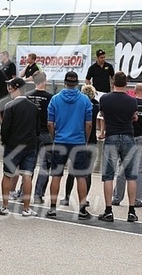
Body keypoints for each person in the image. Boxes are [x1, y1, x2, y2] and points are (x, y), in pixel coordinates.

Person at [45, 71, 93, 220]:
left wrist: (55, 137)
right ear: (77, 83)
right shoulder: (85, 100)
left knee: (56, 175)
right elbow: (89, 124)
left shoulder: (55, 99)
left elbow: (50, 124)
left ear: (65, 83)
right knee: (81, 176)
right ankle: (82, 210)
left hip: (60, 141)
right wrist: (85, 140)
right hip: (78, 142)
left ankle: (53, 208)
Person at [98, 71, 139, 223]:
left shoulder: (105, 99)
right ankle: (131, 211)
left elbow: (103, 115)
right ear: (126, 83)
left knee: (108, 176)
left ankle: (108, 210)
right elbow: (134, 117)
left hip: (112, 136)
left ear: (113, 82)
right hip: (128, 136)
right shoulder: (132, 101)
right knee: (131, 176)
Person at [0, 77, 40, 217]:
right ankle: (26, 208)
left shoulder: (10, 106)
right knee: (27, 176)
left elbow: (5, 128)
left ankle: (5, 206)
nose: (10, 91)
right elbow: (37, 128)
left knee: (7, 175)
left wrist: (4, 141)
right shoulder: (33, 107)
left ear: (18, 89)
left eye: (12, 89)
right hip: (30, 144)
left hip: (13, 145)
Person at [112, 83, 142, 207]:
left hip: (128, 137)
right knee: (140, 170)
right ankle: (137, 199)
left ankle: (117, 197)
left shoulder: (129, 104)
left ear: (134, 91)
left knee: (122, 168)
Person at [26, 71, 54, 205]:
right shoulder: (50, 98)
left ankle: (23, 193)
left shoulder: (27, 96)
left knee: (28, 165)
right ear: (45, 81)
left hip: (30, 133)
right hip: (45, 133)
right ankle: (38, 195)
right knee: (44, 166)